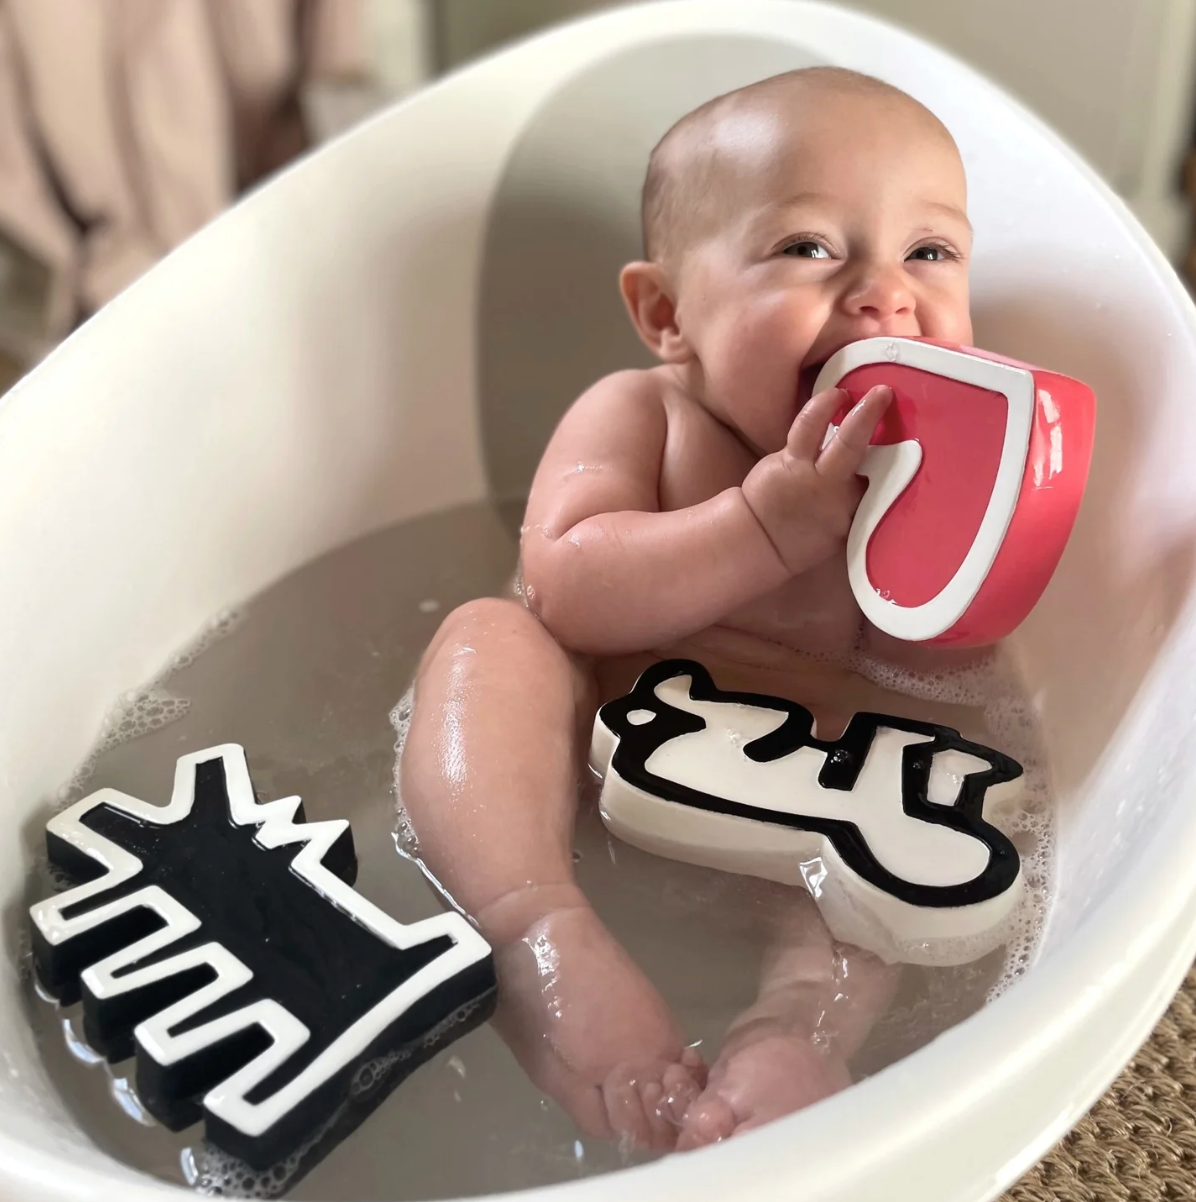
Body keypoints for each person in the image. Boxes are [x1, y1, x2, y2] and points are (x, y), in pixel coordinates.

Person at [399, 66, 984, 1151]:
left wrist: (1000, 533)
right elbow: (563, 580)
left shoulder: (922, 478)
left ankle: (795, 1025)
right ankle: (535, 929)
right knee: (492, 640)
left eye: (929, 252)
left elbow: (956, 675)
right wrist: (764, 526)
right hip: (583, 760)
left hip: (797, 802)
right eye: (808, 247)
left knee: (882, 880)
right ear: (667, 313)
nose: (881, 293)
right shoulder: (640, 413)